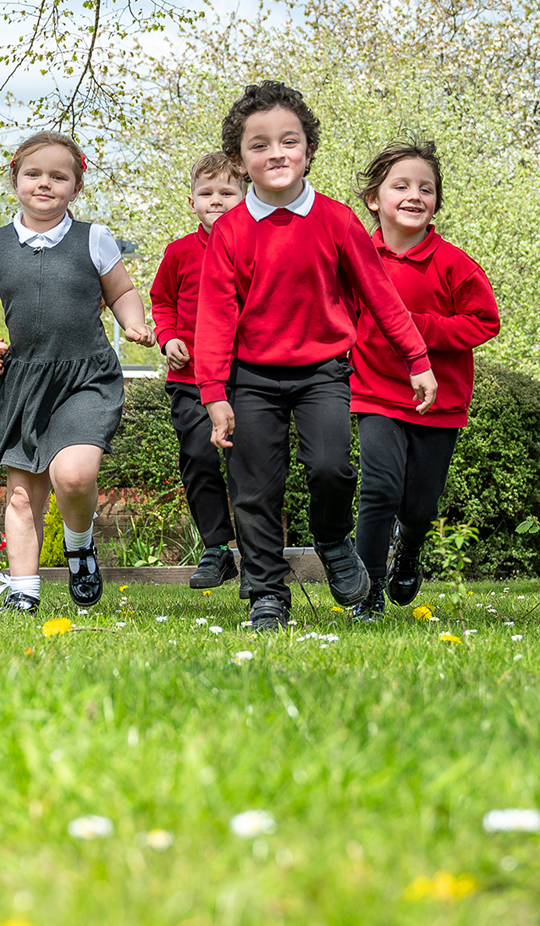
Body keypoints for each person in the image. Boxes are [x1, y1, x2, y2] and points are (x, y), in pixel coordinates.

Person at [195, 80, 438, 632]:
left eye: (289, 141)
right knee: (255, 489)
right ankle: (266, 595)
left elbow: (380, 295)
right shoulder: (230, 231)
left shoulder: (335, 220)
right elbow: (214, 317)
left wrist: (416, 359)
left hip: (322, 373)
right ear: (240, 159)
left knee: (331, 468)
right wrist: (213, 393)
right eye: (260, 145)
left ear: (308, 150)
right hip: (250, 378)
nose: (276, 153)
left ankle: (332, 539)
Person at [0, 131, 155, 615]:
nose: (44, 183)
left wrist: (133, 321)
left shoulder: (93, 238)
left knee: (73, 476)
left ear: (76, 187)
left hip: (84, 378)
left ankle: (80, 544)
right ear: (15, 181)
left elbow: (121, 291)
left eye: (58, 176)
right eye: (33, 174)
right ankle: (24, 591)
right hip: (23, 380)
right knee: (23, 496)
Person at [350, 138, 500, 619]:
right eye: (402, 186)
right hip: (373, 392)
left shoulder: (454, 264)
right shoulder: (354, 258)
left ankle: (408, 547)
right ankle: (368, 589)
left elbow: (485, 321)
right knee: (379, 489)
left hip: (438, 402)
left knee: (419, 505)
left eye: (426, 189)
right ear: (375, 199)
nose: (415, 196)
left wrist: (420, 325)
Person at [151, 151, 245, 590]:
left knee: (250, 464)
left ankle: (258, 553)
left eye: (227, 192)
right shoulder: (179, 253)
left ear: (245, 197)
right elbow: (163, 301)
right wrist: (167, 337)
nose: (216, 201)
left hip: (245, 377)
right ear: (191, 202)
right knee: (198, 457)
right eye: (206, 193)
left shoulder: (256, 246)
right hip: (189, 378)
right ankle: (216, 549)